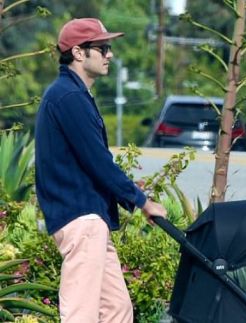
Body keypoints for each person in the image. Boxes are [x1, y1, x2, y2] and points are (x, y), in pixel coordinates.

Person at [35, 18, 167, 323]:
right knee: (81, 314)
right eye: (102, 48)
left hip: (91, 220)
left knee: (118, 310)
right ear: (79, 53)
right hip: (80, 219)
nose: (109, 54)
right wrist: (143, 202)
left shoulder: (73, 95)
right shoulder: (68, 98)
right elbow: (99, 162)